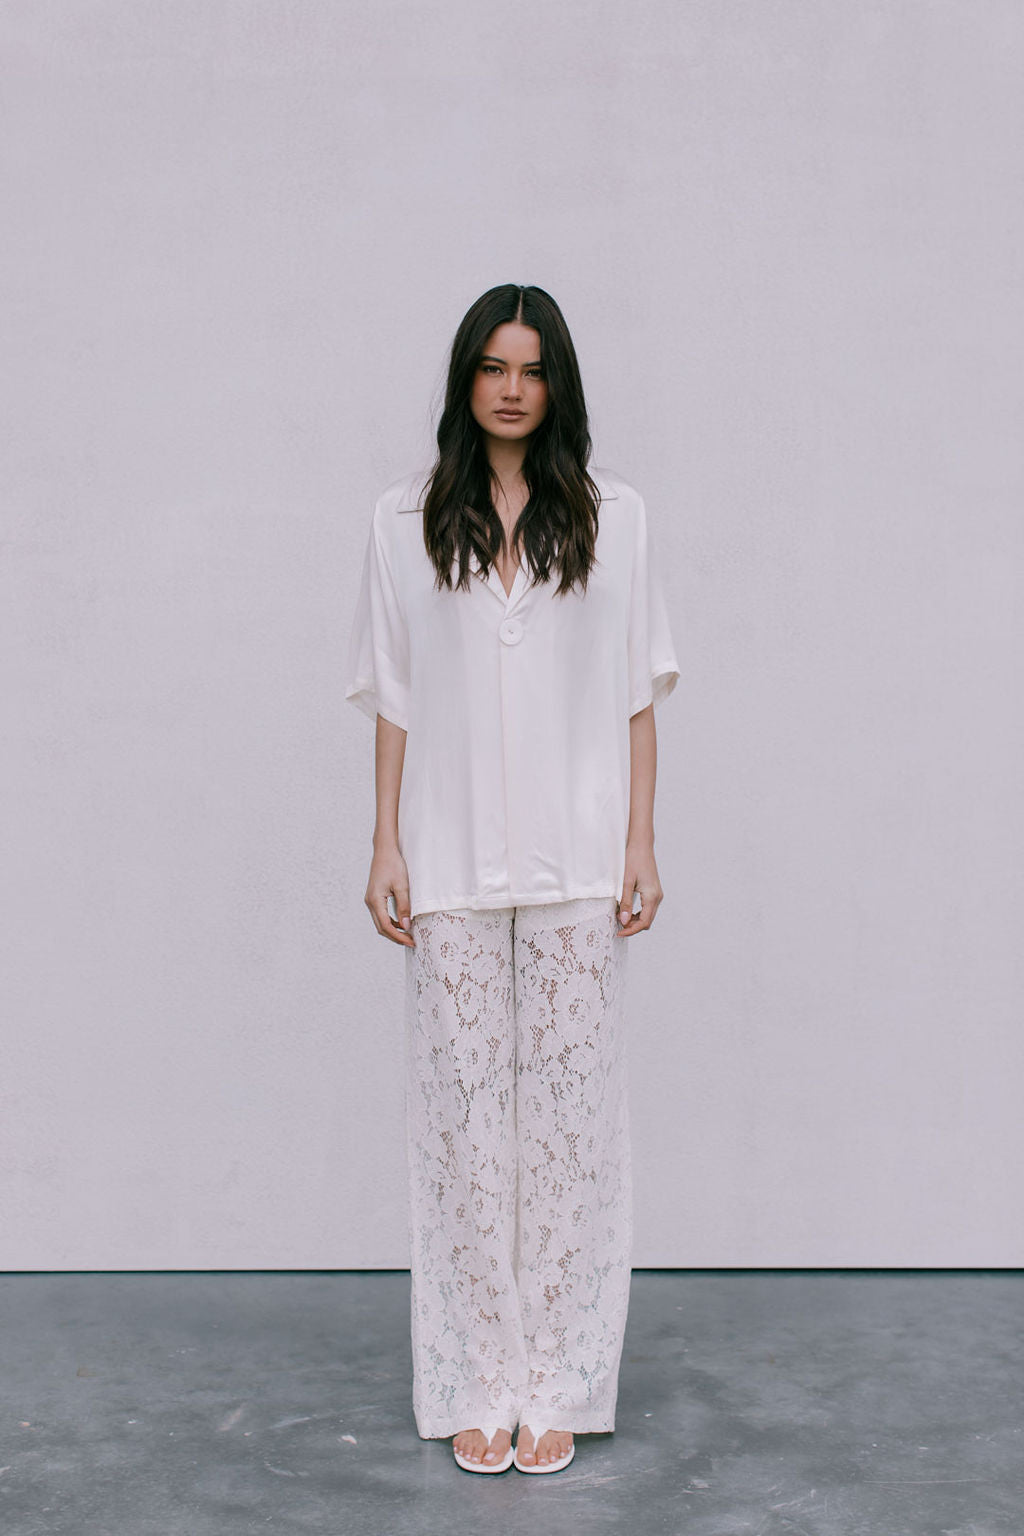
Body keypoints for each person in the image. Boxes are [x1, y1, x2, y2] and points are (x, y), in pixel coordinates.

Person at [345, 283, 680, 1475]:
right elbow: (393, 698)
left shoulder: (614, 517)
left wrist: (640, 842)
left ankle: (561, 1385)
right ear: (466, 379)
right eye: (493, 366)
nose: (511, 388)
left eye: (532, 369)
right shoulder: (401, 520)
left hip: (579, 859)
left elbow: (635, 696)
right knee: (464, 1131)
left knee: (571, 1132)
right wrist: (385, 843)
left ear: (557, 385)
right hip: (447, 855)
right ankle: (478, 1379)